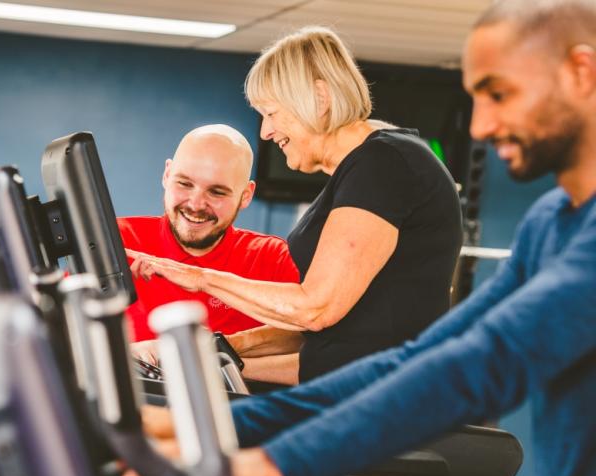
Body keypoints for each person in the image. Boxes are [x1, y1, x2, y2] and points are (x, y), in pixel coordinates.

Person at [123, 1, 596, 476]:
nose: (479, 127)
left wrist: (274, 462)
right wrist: (211, 424)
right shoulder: (550, 221)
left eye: (498, 94)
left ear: (582, 73)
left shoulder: (389, 164)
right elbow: (415, 360)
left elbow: (476, 367)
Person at [129, 27, 463, 384]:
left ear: (319, 98)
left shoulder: (382, 163)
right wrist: (212, 350)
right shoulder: (364, 168)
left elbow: (315, 308)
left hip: (381, 402)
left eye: (271, 113)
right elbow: (331, 333)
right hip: (343, 386)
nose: (266, 132)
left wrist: (201, 278)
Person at [118, 124, 299, 363]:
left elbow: (309, 337)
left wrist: (217, 347)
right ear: (167, 175)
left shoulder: (274, 258)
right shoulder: (117, 239)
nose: (195, 204)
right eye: (184, 184)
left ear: (246, 195)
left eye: (217, 192)